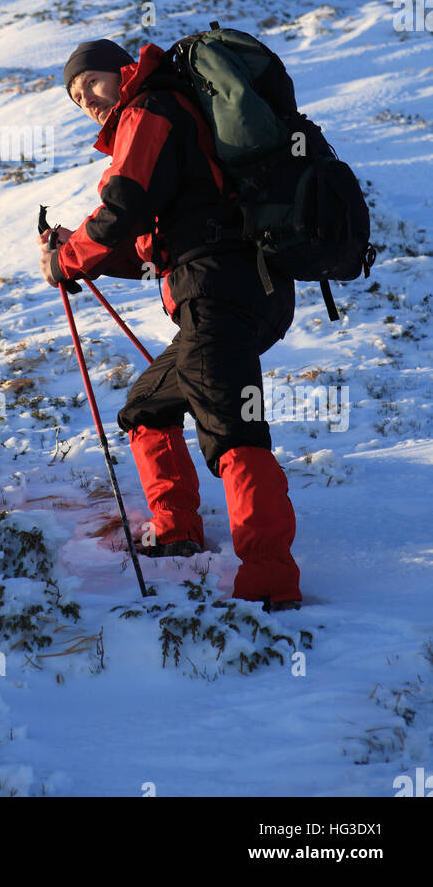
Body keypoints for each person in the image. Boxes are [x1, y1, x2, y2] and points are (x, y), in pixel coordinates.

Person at [38, 37, 302, 612]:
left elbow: (123, 203)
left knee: (233, 432)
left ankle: (270, 582)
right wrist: (82, 255)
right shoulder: (168, 114)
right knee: (147, 408)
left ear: (122, 72)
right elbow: (154, 245)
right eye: (76, 98)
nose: (87, 101)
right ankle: (177, 528)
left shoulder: (150, 108)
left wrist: (69, 258)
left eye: (91, 85)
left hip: (218, 294)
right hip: (240, 291)